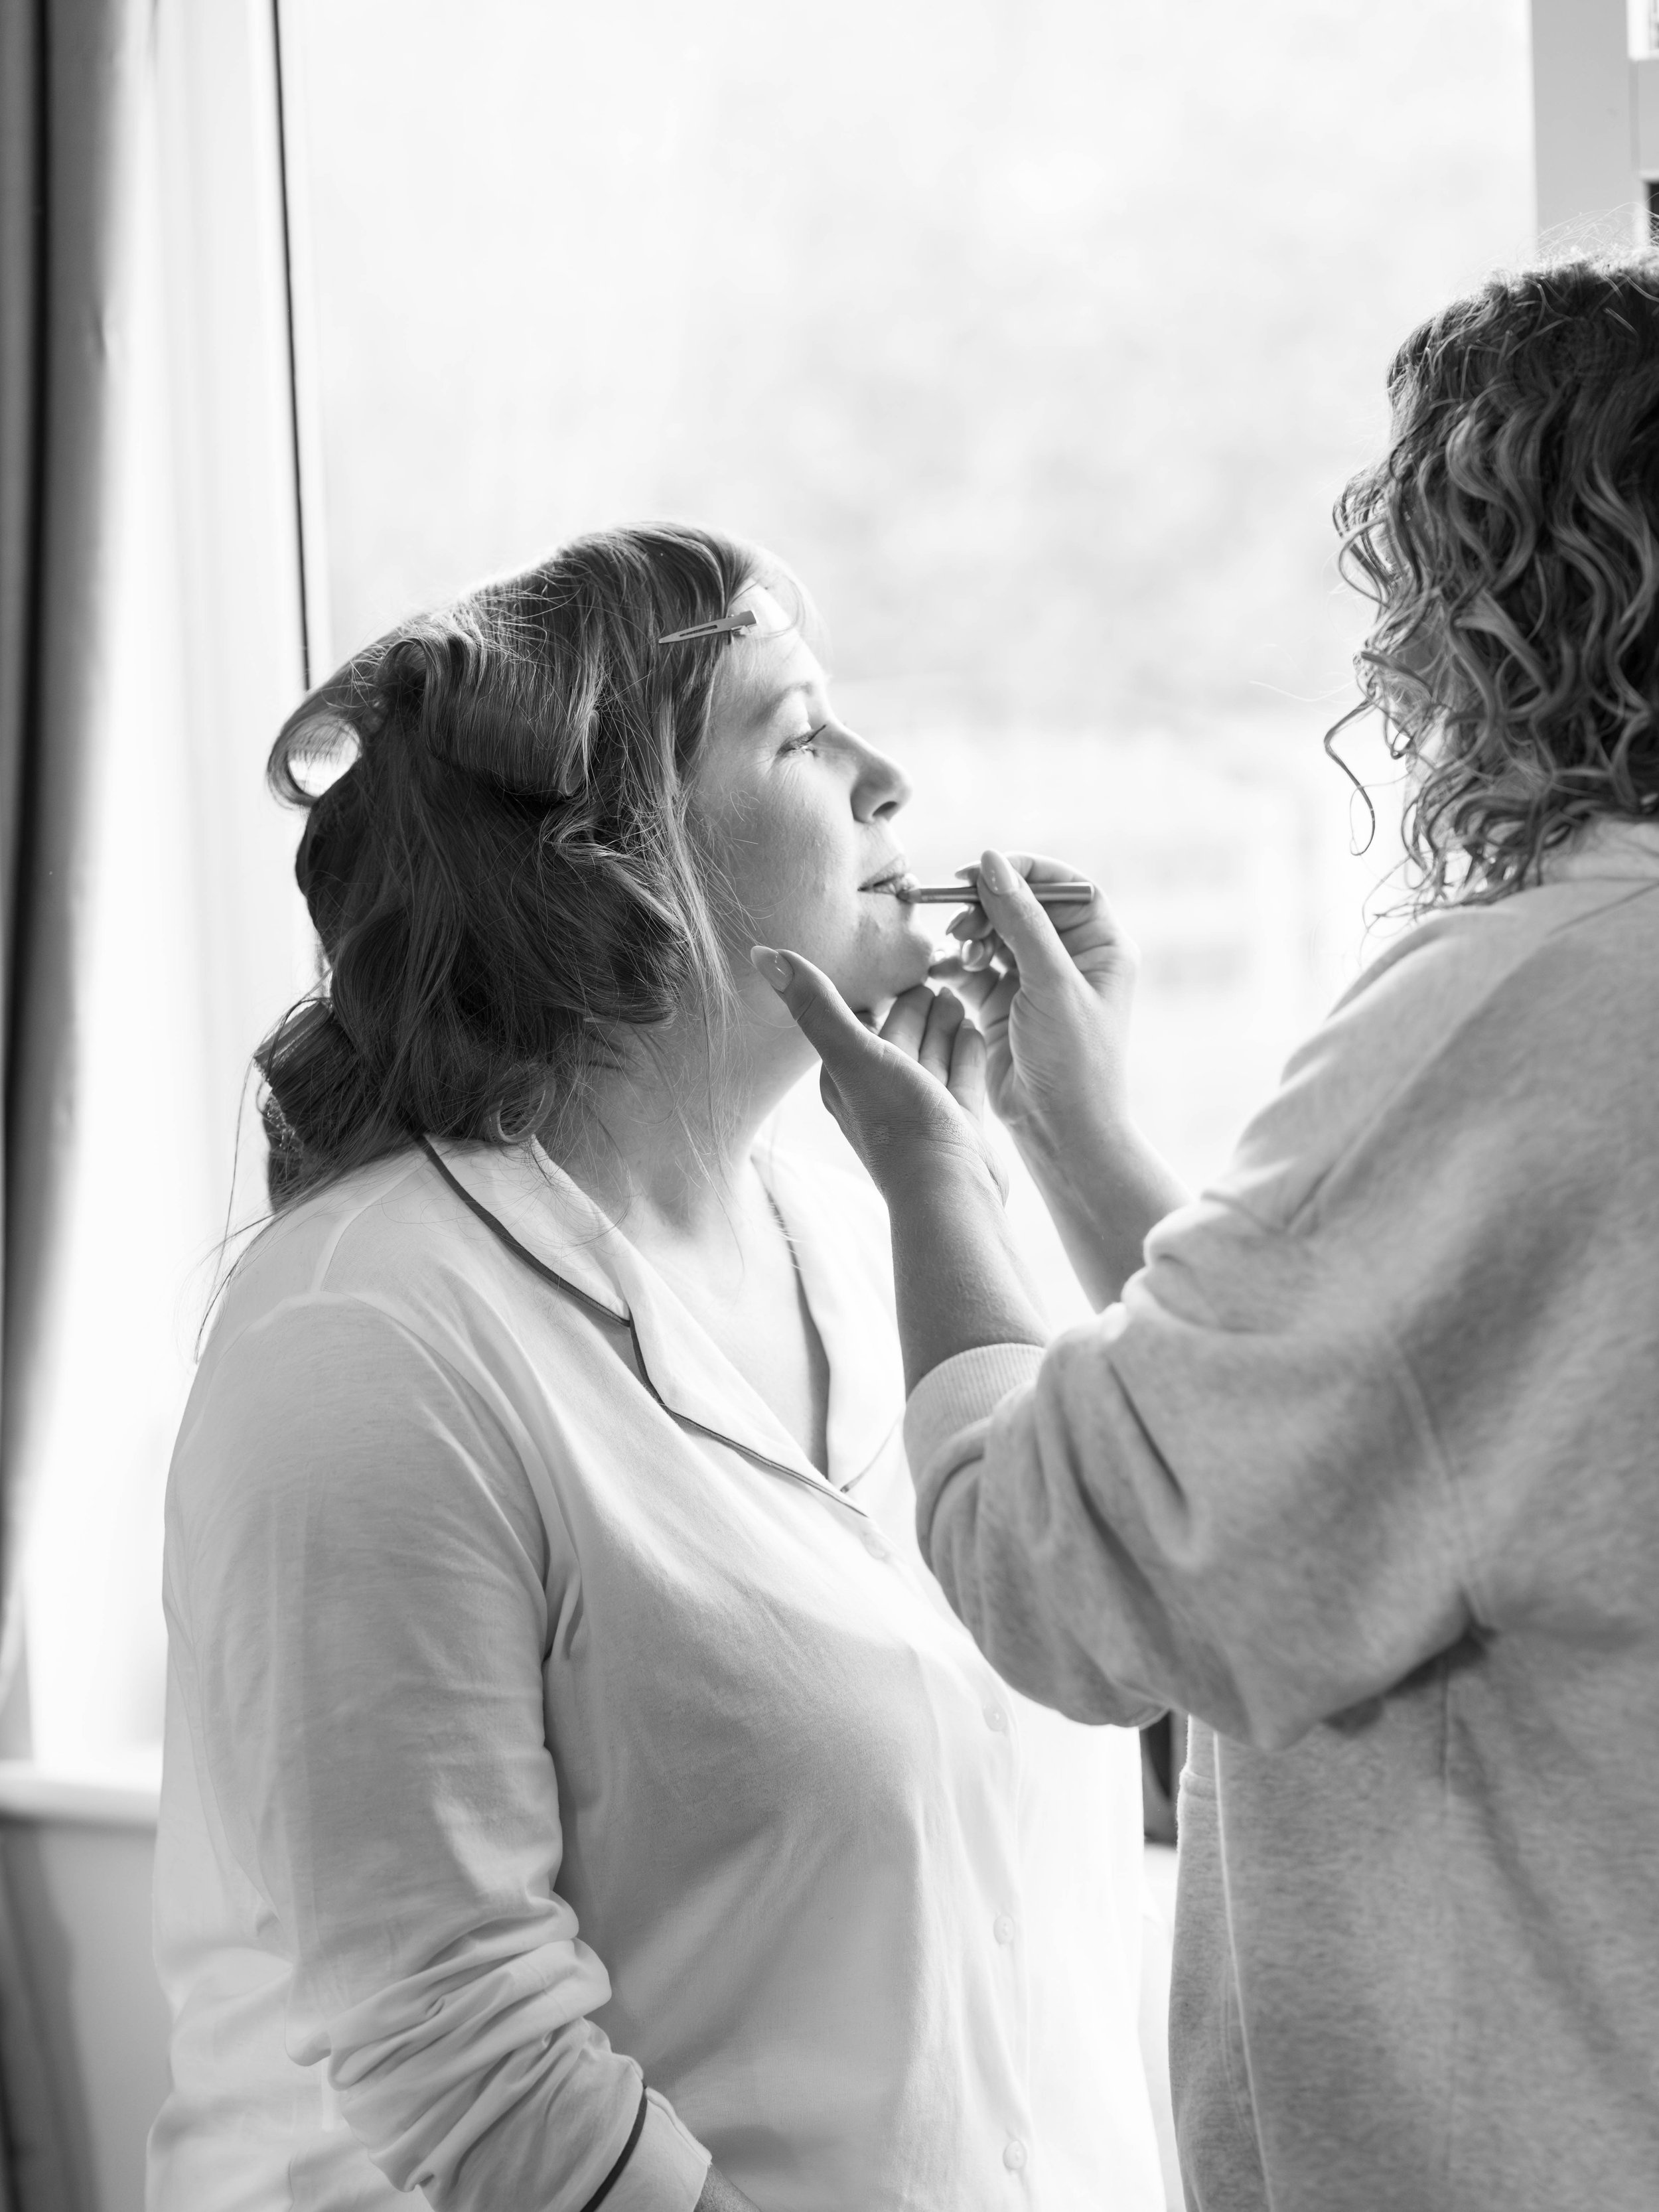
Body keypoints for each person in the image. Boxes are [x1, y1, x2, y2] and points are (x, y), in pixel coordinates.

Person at [755, 252, 1659, 2212]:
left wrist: (935, 1176)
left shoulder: (1534, 997)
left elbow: (1073, 1564)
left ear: (1498, 597)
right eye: (792, 733)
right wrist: (1075, 1135)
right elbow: (1390, 1434)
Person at [147, 524, 1169, 2212]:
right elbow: (467, 2055)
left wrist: (1036, 1149)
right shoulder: (368, 1335)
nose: (887, 777)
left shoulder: (883, 1231)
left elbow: (1147, 1606)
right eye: (801, 729)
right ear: (618, 861)